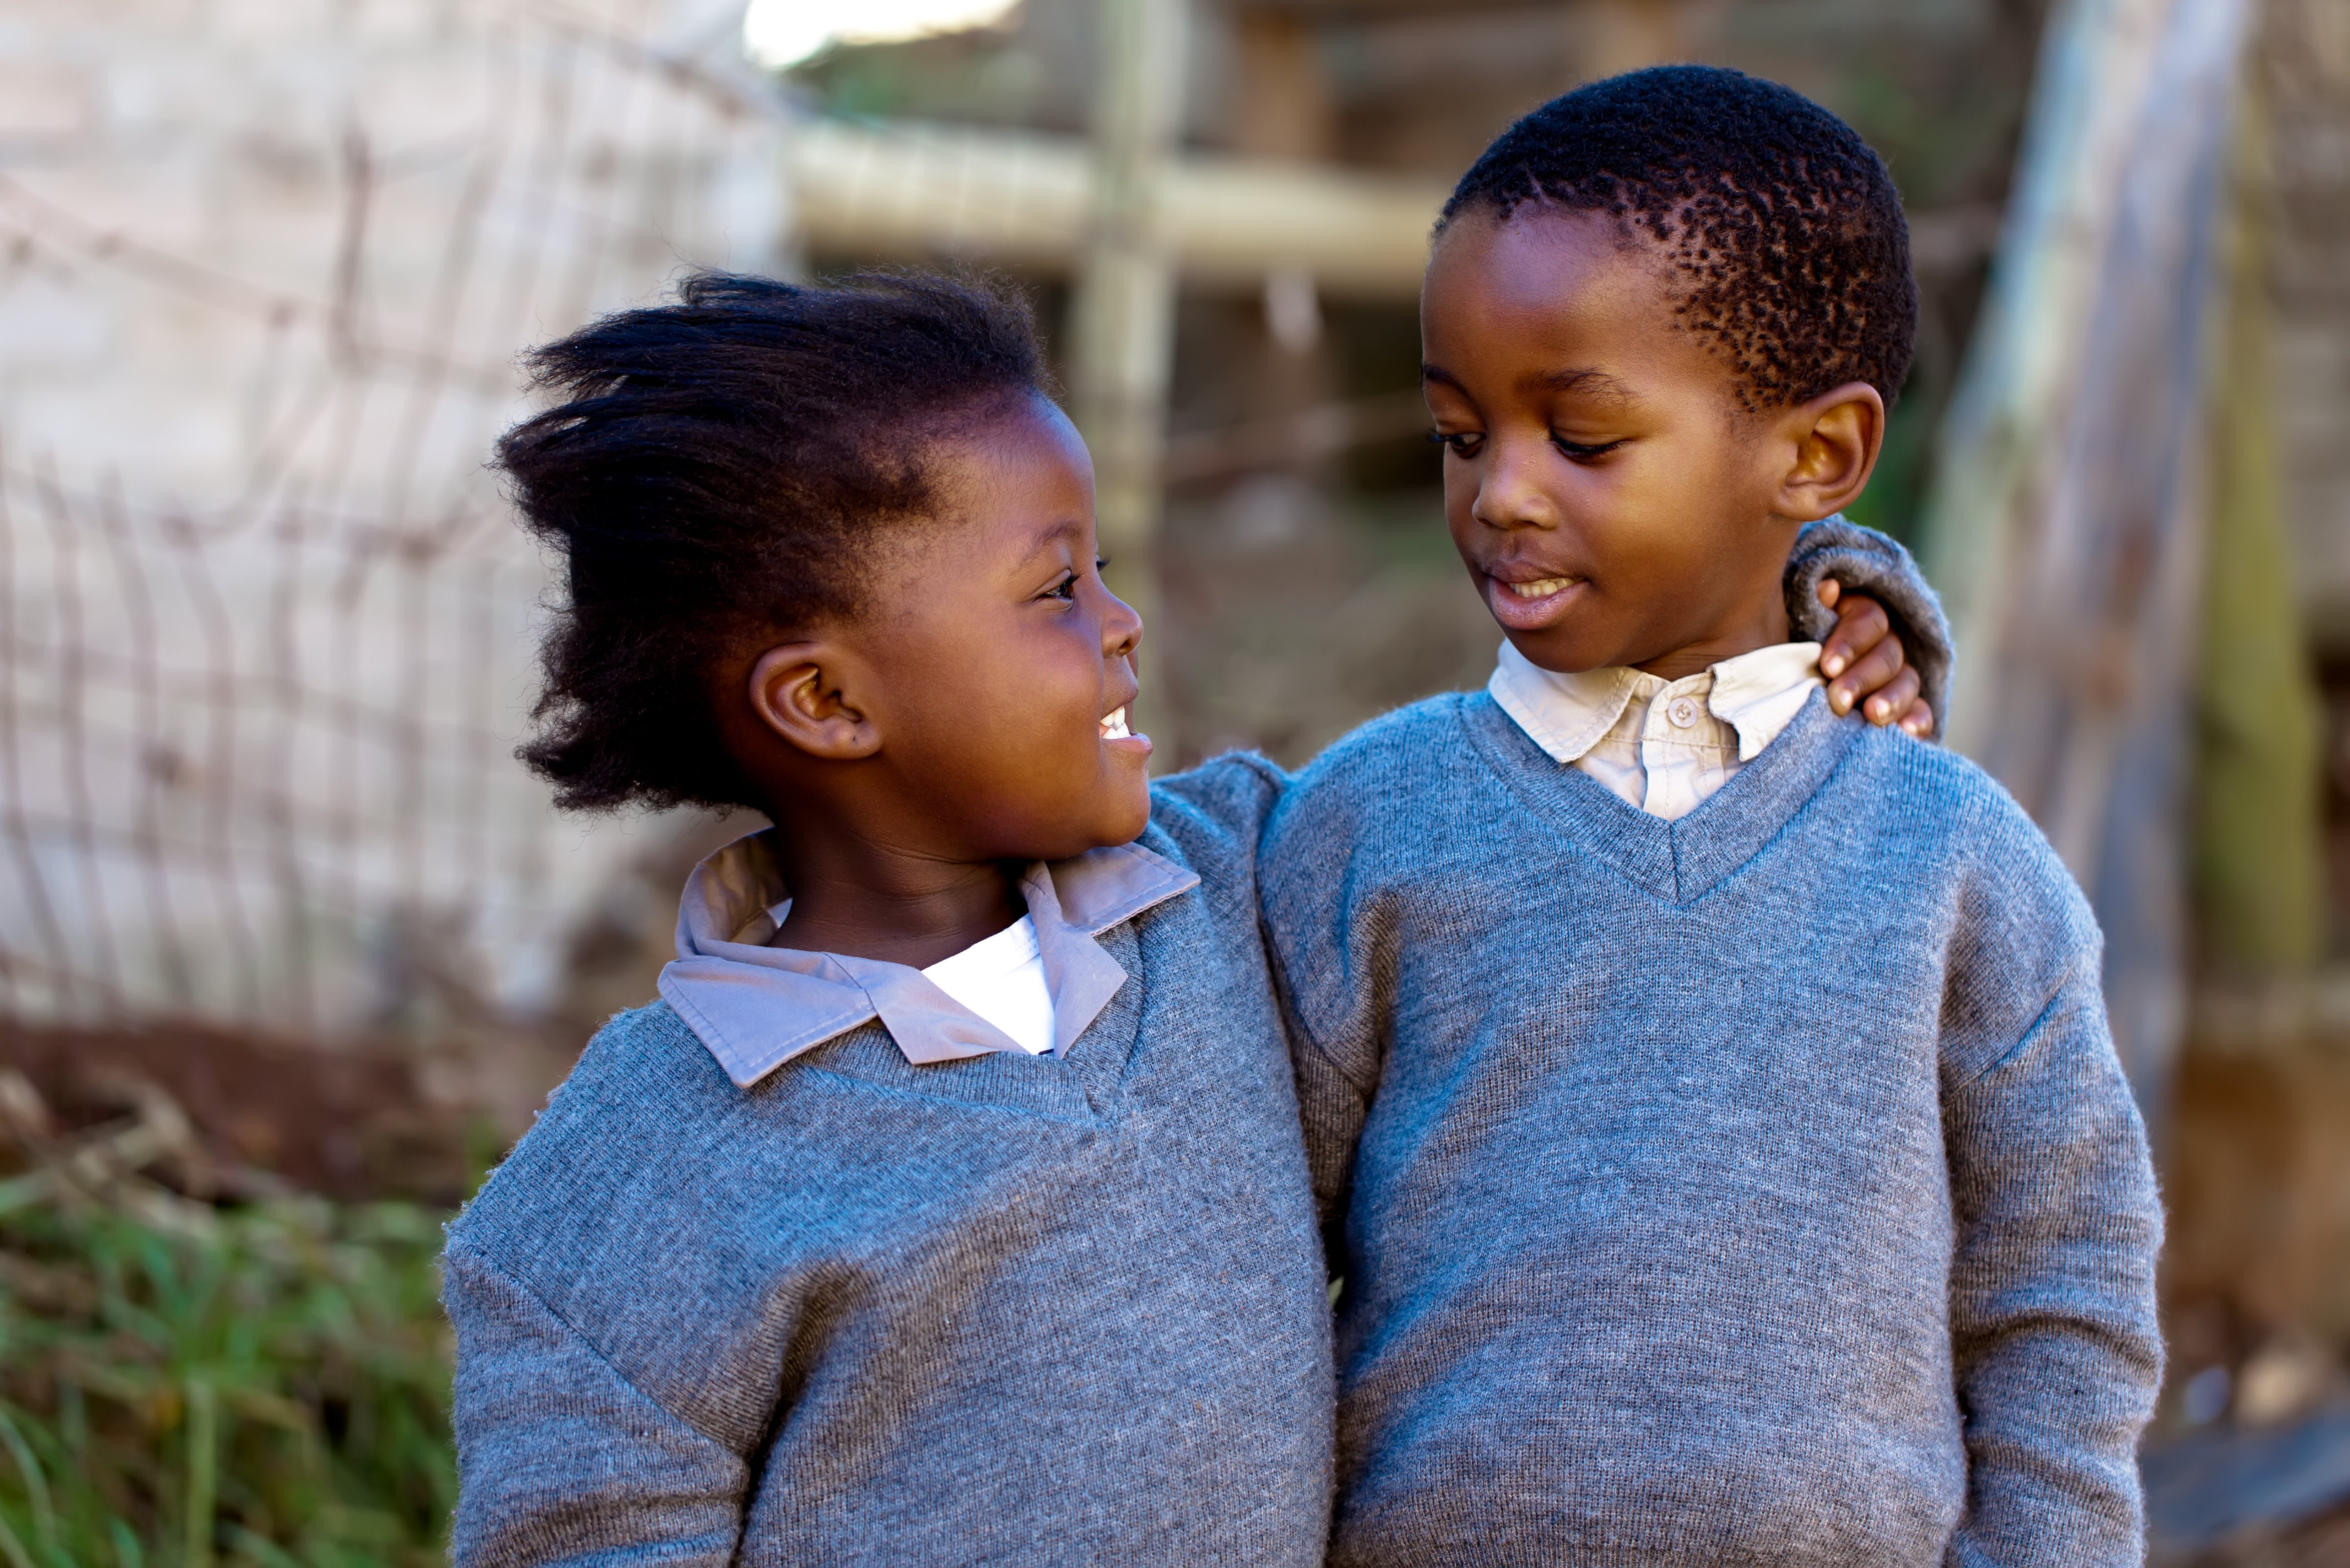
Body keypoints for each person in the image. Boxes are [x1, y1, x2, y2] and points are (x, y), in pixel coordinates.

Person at [439, 271, 1929, 1562]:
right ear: (828, 703)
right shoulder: (632, 1188)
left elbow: (1562, 803)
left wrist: (1808, 606)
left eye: (1103, 569)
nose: (1123, 621)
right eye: (1055, 589)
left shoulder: (1238, 888)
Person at [1258, 67, 2165, 1567]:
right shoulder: (1362, 826)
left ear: (1814, 458)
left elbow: (2063, 1282)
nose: (1498, 493)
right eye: (1460, 432)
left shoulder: (1953, 858)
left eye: (1584, 438)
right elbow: (1241, 1266)